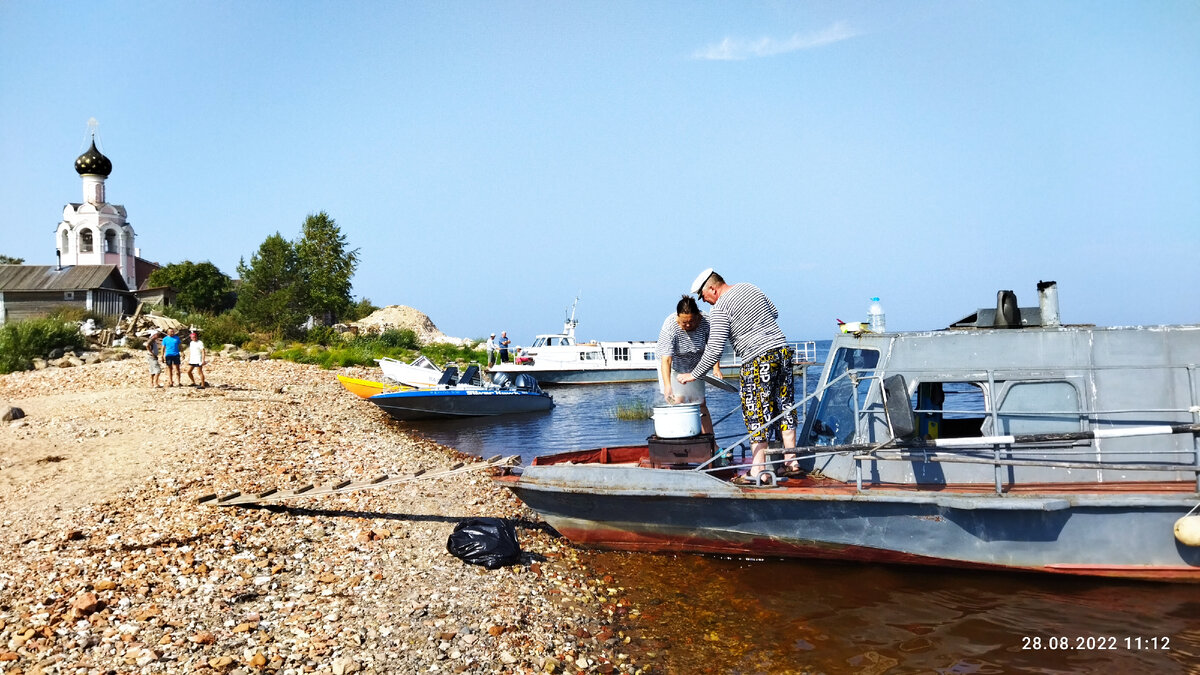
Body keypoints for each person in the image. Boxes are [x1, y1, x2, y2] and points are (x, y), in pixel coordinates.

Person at [678, 268, 798, 480]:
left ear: (712, 289)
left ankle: (759, 470)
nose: (704, 302)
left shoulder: (721, 308)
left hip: (757, 359)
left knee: (756, 413)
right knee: (784, 406)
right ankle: (791, 460)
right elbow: (774, 312)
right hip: (782, 351)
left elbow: (714, 348)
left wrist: (693, 375)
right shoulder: (749, 287)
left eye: (703, 296)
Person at [656, 295, 720, 434]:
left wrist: (716, 369)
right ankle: (682, 439)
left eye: (691, 321)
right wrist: (668, 386)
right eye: (683, 322)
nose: (687, 325)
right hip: (673, 367)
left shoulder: (707, 321)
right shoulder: (670, 325)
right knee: (678, 401)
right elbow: (666, 360)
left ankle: (711, 444)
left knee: (700, 403)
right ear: (678, 317)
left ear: (697, 316)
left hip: (695, 368)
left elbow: (714, 346)